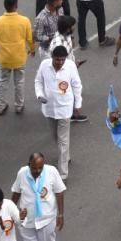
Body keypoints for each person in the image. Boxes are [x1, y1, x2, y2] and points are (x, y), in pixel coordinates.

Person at [35, 45, 82, 178]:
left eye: (62, 60)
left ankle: (63, 174)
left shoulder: (70, 66)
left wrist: (78, 104)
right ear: (52, 58)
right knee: (55, 137)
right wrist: (39, 95)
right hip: (49, 108)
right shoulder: (44, 65)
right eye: (57, 60)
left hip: (65, 109)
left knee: (62, 141)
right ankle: (65, 157)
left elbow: (77, 85)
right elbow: (38, 81)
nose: (60, 62)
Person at [0, 0, 34, 115]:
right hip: (19, 57)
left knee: (2, 81)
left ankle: (0, 105)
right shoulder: (24, 21)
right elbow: (29, 38)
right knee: (19, 82)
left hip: (4, 58)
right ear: (16, 5)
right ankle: (19, 105)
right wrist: (32, 49)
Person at [11, 152, 67, 241]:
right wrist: (11, 214)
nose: (37, 171)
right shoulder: (22, 173)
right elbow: (16, 193)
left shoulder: (51, 171)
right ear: (29, 165)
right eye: (34, 168)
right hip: (27, 221)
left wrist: (61, 215)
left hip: (46, 220)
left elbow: (59, 192)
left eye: (40, 168)